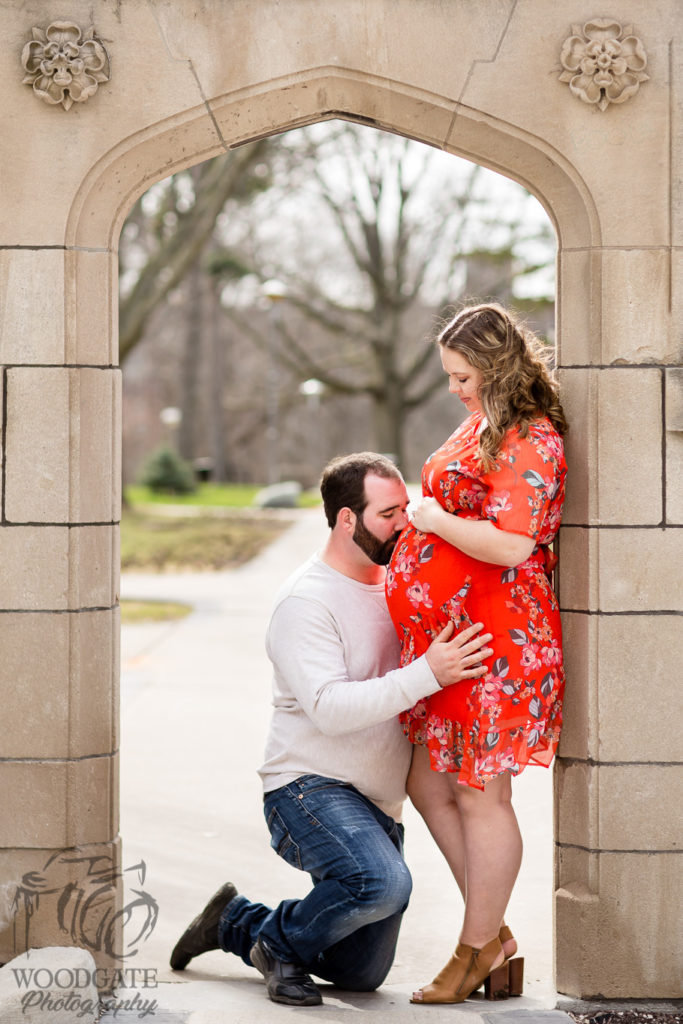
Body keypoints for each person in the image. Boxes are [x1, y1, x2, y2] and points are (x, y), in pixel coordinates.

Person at [170, 452, 494, 1007]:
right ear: (348, 519)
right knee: (383, 884)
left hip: (377, 803)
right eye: (389, 513)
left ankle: (235, 922)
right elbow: (328, 708)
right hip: (306, 788)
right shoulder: (306, 600)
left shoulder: (399, 583)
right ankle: (275, 943)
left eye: (405, 509)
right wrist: (426, 673)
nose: (405, 523)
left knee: (358, 973)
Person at [385, 303, 568, 1005]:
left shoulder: (531, 438)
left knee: (477, 791)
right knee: (428, 785)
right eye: (450, 377)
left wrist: (431, 518)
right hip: (453, 640)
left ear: (495, 366)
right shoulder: (485, 425)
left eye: (462, 375)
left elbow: (513, 546)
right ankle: (491, 935)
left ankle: (473, 948)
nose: (454, 388)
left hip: (496, 641)